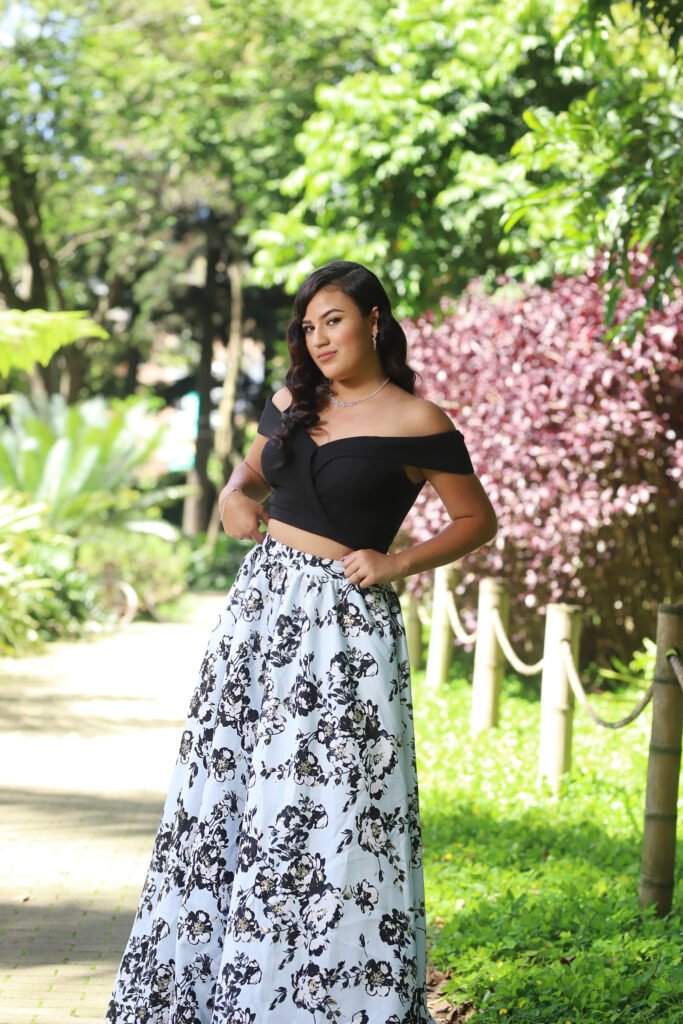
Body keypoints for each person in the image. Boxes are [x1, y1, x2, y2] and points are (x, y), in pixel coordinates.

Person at [106, 260, 498, 1024]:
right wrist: (231, 498)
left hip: (345, 636)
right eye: (308, 326)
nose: (318, 338)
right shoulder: (292, 401)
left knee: (333, 812)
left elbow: (475, 520)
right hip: (258, 619)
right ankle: (214, 1000)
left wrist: (395, 563)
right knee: (227, 801)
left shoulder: (419, 422)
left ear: (374, 321)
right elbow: (245, 480)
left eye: (334, 320)